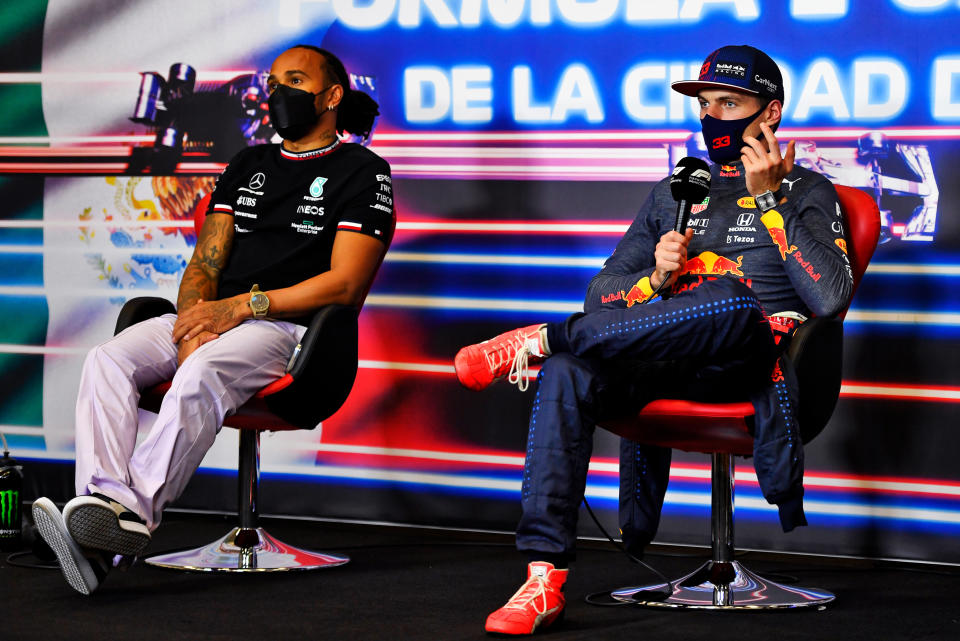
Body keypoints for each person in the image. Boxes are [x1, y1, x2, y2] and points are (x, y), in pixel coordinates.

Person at [454, 44, 853, 635]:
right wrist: (655, 278)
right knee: (568, 374)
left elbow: (830, 298)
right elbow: (602, 293)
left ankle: (543, 339)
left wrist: (771, 200)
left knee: (735, 299)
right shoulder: (676, 191)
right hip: (665, 352)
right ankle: (543, 577)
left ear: (769, 113)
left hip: (752, 360)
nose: (713, 117)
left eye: (730, 103)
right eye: (705, 104)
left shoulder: (808, 189)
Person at [32, 45, 395, 595]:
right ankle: (102, 513)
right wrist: (195, 317)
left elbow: (346, 283)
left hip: (292, 331)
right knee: (107, 360)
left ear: (331, 95)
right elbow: (206, 260)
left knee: (203, 370)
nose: (279, 93)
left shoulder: (364, 172)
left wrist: (241, 308)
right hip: (216, 319)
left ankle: (131, 515)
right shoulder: (247, 164)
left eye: (295, 81)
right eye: (273, 83)